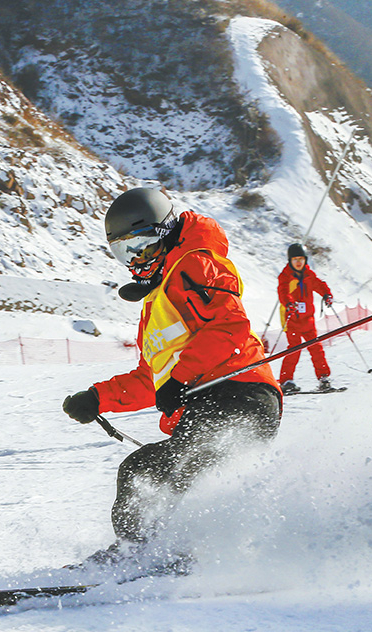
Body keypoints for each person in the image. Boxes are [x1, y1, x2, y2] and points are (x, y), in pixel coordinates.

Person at [62, 187, 282, 569]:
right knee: (151, 470)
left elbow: (228, 327)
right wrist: (98, 398)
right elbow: (154, 378)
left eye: (142, 244)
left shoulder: (195, 265)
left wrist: (181, 379)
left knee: (159, 469)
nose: (137, 259)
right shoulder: (158, 298)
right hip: (208, 401)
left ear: (164, 232)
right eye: (125, 252)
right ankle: (165, 554)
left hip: (238, 396)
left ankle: (146, 558)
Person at [277, 243, 334, 394]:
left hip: (308, 320)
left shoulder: (309, 275)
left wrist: (326, 294)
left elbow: (320, 285)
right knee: (294, 350)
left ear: (305, 260)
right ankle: (286, 381)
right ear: (290, 261)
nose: (298, 262)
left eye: (301, 259)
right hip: (292, 319)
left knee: (316, 349)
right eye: (295, 259)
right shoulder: (285, 276)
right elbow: (283, 292)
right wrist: (289, 303)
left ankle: (323, 378)